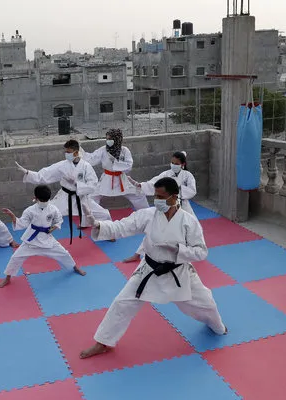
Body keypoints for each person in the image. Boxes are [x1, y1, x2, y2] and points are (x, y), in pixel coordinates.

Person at [79, 177, 227, 359]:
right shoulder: (149, 214)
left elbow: (201, 252)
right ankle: (103, 342)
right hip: (148, 270)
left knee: (206, 304)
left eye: (161, 196)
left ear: (174, 197)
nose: (156, 200)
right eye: (155, 196)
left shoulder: (188, 221)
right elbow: (123, 226)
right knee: (122, 303)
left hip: (178, 272)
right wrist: (99, 225)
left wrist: (179, 250)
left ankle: (218, 327)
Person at [15, 139, 111, 244]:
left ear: (76, 152)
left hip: (82, 198)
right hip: (64, 198)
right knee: (44, 214)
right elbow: (45, 174)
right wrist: (28, 173)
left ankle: (108, 234)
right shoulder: (63, 165)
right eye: (65, 152)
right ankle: (30, 238)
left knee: (103, 214)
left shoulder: (86, 166)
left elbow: (93, 185)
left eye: (68, 152)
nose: (66, 154)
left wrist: (76, 184)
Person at [0, 185, 86, 288]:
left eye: (46, 200)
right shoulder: (30, 210)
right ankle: (8, 277)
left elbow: (59, 220)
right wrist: (13, 217)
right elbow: (22, 223)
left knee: (63, 253)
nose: (44, 202)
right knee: (15, 257)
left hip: (47, 239)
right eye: (42, 200)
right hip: (32, 240)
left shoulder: (53, 209)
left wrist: (55, 226)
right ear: (36, 198)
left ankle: (74, 267)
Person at [123, 151, 197, 263]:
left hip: (183, 206)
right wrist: (140, 185)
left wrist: (178, 188)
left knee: (191, 228)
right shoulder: (166, 174)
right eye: (172, 162)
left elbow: (192, 191)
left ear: (182, 164)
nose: (173, 165)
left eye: (176, 163)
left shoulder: (188, 176)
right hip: (167, 206)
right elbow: (154, 183)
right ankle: (137, 254)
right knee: (153, 229)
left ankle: (188, 252)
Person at [80, 129, 149, 211]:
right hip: (106, 179)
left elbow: (129, 165)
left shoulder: (124, 150)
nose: (108, 141)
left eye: (110, 139)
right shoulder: (103, 149)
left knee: (138, 194)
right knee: (92, 196)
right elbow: (91, 158)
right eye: (107, 139)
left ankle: (145, 213)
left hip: (122, 180)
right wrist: (79, 150)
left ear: (117, 139)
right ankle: (89, 215)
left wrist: (115, 162)